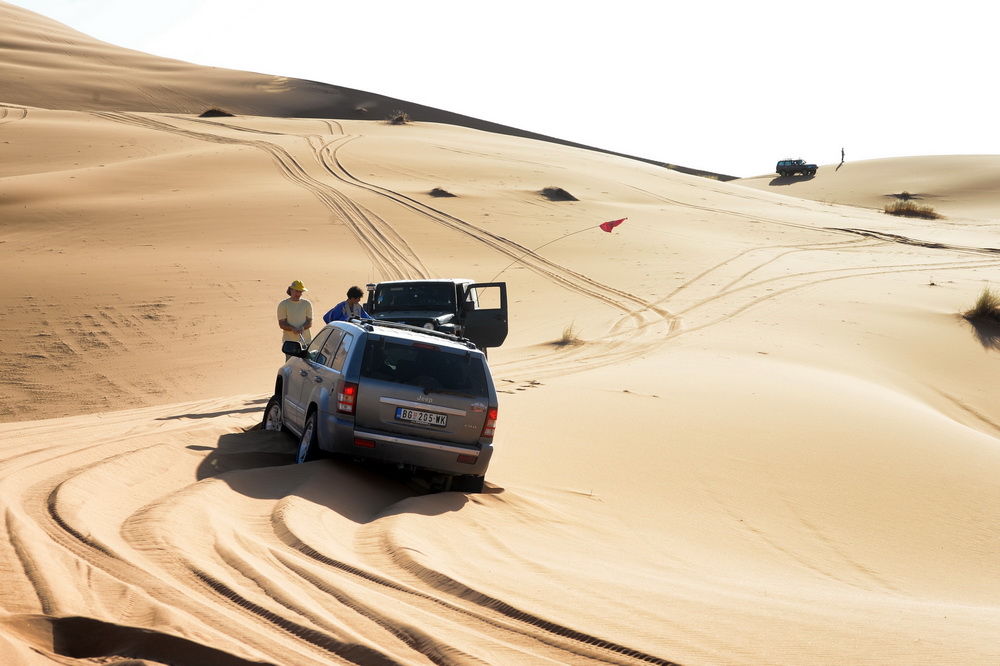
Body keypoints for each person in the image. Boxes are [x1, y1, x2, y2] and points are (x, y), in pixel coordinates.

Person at [277, 280, 313, 353]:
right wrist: (292, 328)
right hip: (290, 344)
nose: (298, 294)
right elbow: (282, 323)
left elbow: (309, 321)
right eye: (297, 291)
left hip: (305, 342)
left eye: (300, 292)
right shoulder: (283, 304)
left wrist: (303, 327)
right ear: (291, 290)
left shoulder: (307, 304)